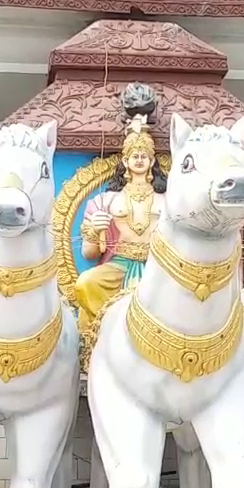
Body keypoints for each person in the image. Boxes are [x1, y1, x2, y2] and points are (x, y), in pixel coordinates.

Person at [73, 83, 168, 331]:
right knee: (85, 283)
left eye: (144, 155)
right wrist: (94, 230)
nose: (138, 159)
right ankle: (104, 331)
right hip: (118, 266)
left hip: (157, 268)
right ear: (125, 160)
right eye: (134, 155)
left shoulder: (167, 199)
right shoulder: (105, 201)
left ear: (152, 160)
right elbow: (89, 253)